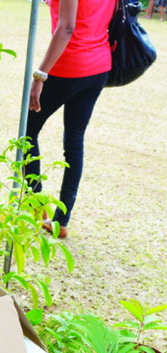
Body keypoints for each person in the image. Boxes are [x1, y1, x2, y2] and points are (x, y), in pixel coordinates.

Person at [25, 0, 116, 239]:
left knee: (27, 130)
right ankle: (61, 221)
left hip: (69, 66)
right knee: (74, 141)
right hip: (99, 67)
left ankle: (36, 205)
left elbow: (67, 27)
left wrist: (40, 74)